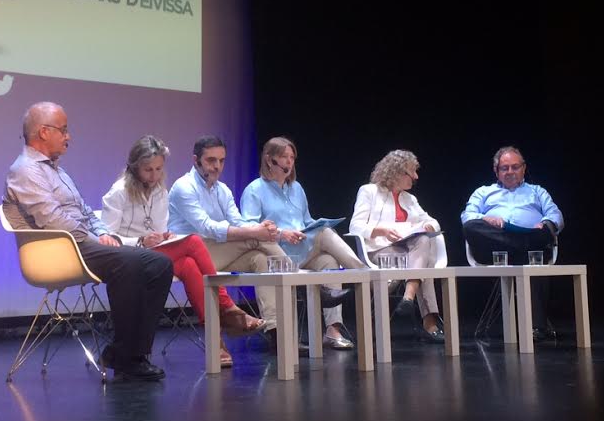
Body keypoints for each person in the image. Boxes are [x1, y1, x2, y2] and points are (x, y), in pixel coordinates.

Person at [4, 103, 173, 380]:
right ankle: (127, 358)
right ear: (44, 132)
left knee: (160, 264)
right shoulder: (25, 170)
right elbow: (53, 220)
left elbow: (84, 211)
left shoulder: (57, 171)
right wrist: (96, 238)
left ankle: (128, 353)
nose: (68, 136)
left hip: (81, 243)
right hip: (60, 250)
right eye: (63, 130)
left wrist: (106, 234)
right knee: (130, 264)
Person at [101, 135, 264, 368]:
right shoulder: (119, 192)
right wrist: (139, 241)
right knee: (194, 242)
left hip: (153, 257)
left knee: (189, 265)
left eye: (159, 169)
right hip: (125, 258)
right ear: (135, 167)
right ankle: (229, 308)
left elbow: (158, 230)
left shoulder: (160, 192)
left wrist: (163, 236)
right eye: (148, 170)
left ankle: (216, 341)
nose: (154, 176)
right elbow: (107, 239)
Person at [239, 137, 364, 350]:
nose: (289, 162)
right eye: (284, 157)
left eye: (292, 157)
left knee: (329, 260)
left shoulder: (296, 188)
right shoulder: (254, 189)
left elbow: (306, 221)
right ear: (269, 160)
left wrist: (315, 224)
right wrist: (282, 233)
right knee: (325, 234)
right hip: (277, 254)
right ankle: (363, 272)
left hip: (303, 249)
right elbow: (249, 226)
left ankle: (332, 331)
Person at [167, 135, 290, 346]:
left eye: (221, 160)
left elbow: (239, 222)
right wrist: (257, 232)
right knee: (254, 240)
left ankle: (276, 331)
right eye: (211, 160)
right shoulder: (184, 187)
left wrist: (264, 229)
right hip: (191, 257)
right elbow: (207, 227)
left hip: (217, 255)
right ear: (196, 160)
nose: (217, 166)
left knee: (260, 259)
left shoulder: (222, 189)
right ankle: (294, 274)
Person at [460, 146, 565, 341]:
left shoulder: (537, 191)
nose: (510, 172)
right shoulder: (483, 192)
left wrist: (545, 223)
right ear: (496, 171)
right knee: (471, 227)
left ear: (524, 168)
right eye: (504, 168)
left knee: (543, 239)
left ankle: (536, 327)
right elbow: (467, 216)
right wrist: (485, 218)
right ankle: (522, 242)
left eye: (515, 167)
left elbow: (555, 215)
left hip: (532, 247)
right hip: (495, 250)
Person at [350, 150, 447, 341]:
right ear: (396, 172)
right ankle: (429, 322)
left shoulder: (410, 199)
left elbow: (432, 221)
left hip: (407, 253)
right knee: (424, 262)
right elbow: (355, 226)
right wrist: (382, 230)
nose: (416, 177)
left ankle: (408, 297)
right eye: (412, 172)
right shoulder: (369, 191)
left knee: (424, 241)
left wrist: (429, 226)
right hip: (379, 251)